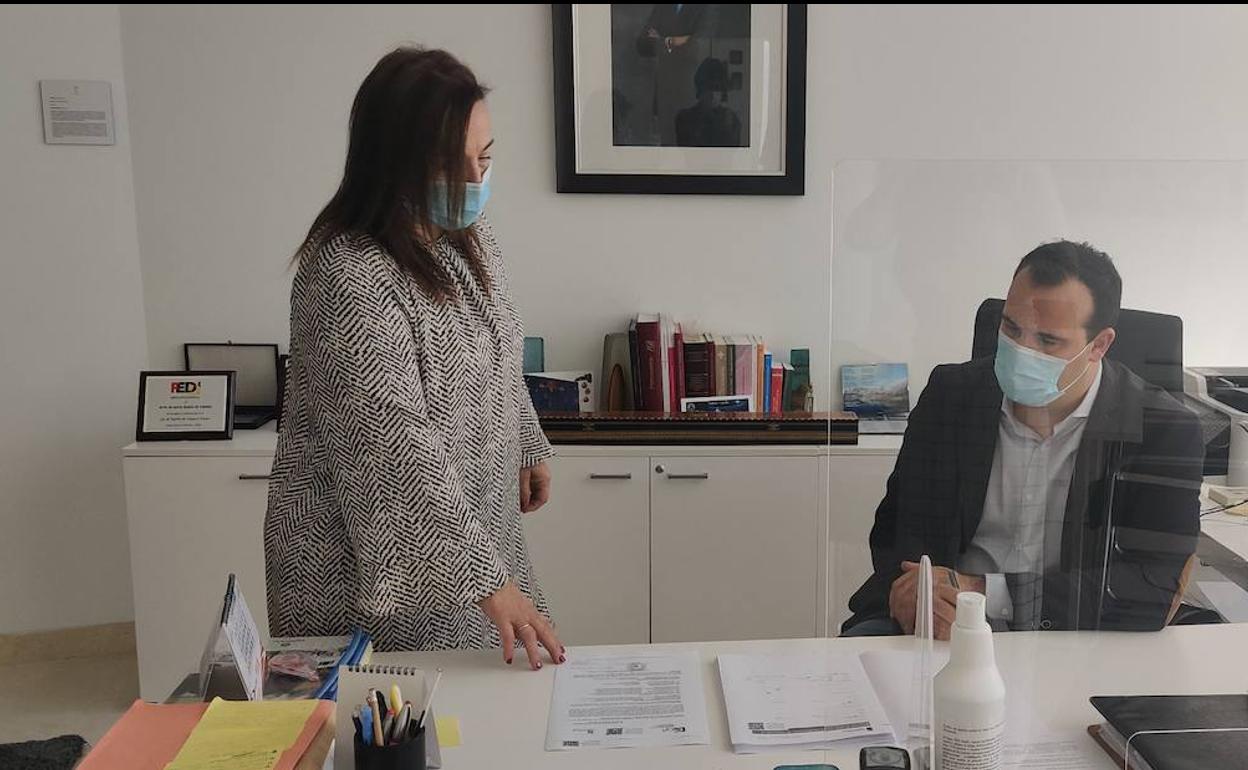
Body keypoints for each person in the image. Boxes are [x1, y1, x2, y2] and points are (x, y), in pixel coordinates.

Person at [264, 47, 564, 671]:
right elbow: (393, 444)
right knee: (400, 715)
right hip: (367, 564)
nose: (475, 181)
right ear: (395, 162)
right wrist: (488, 580)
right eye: (454, 165)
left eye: (485, 158)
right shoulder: (347, 272)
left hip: (473, 522)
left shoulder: (467, 240)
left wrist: (527, 442)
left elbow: (501, 350)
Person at [843, 241, 1204, 639]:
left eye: (1048, 341)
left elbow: (1149, 585)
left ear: (1099, 346)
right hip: (944, 629)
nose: (1022, 350)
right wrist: (916, 592)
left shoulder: (1163, 430)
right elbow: (896, 531)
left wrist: (981, 592)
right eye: (1012, 328)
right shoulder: (952, 395)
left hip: (1077, 634)